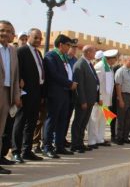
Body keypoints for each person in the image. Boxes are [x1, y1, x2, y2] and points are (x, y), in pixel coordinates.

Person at [11, 28, 45, 163]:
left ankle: (27, 150)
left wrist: (42, 93)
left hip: (36, 92)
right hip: (25, 93)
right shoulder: (21, 51)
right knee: (20, 122)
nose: (38, 40)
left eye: (40, 38)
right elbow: (16, 70)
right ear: (29, 37)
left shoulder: (38, 53)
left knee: (31, 123)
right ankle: (16, 151)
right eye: (35, 37)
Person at [43, 34, 77, 158]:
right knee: (52, 120)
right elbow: (53, 74)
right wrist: (69, 83)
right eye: (68, 45)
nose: (69, 48)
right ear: (61, 44)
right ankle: (47, 146)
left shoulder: (64, 57)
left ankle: (59, 146)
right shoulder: (51, 56)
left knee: (63, 120)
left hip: (65, 93)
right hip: (55, 92)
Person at [0, 20, 21, 174]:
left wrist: (16, 95)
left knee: (1, 130)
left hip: (7, 94)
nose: (5, 33)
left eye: (8, 31)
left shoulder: (13, 51)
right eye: (2, 30)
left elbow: (15, 75)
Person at [71, 45, 99, 153]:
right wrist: (82, 101)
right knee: (78, 122)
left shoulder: (88, 64)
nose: (94, 54)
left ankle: (80, 143)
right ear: (87, 52)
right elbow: (80, 85)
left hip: (90, 99)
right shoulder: (80, 64)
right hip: (84, 100)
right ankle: (75, 144)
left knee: (84, 122)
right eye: (93, 51)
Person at [87, 49, 118, 148]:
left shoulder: (109, 67)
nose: (115, 60)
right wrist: (99, 97)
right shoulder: (100, 66)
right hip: (99, 99)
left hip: (106, 99)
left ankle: (99, 139)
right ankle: (92, 140)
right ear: (110, 59)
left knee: (103, 120)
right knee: (94, 119)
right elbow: (97, 84)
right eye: (114, 58)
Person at [114, 55, 130, 145]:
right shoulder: (120, 71)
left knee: (128, 118)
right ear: (124, 61)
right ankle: (119, 137)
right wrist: (120, 99)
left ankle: (125, 137)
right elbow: (118, 85)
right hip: (123, 95)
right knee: (121, 118)